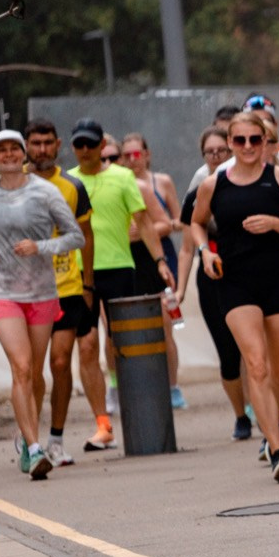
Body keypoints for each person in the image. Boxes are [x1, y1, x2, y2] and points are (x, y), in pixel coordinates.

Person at [189, 109, 279, 481]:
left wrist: (275, 224)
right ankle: (275, 448)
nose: (247, 147)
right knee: (255, 364)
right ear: (229, 144)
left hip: (278, 278)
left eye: (255, 140)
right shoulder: (214, 183)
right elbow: (194, 222)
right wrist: (205, 251)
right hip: (234, 280)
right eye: (239, 140)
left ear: (265, 141)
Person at [0, 132, 82, 480]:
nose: (7, 155)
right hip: (1, 291)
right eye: (0, 150)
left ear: (23, 155)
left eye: (13, 149)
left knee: (34, 372)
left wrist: (40, 247)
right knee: (20, 366)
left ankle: (26, 430)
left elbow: (74, 235)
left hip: (41, 292)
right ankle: (35, 450)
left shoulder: (45, 191)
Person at [70, 117, 175, 444]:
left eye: (91, 143)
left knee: (123, 344)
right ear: (72, 148)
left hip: (119, 268)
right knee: (87, 346)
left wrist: (160, 261)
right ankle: (103, 423)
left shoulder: (123, 178)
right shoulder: (66, 182)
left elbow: (143, 222)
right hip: (78, 273)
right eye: (79, 144)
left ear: (102, 146)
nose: (85, 150)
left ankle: (139, 411)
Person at [23, 119, 99, 466]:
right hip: (24, 288)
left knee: (60, 362)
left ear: (57, 146)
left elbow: (86, 235)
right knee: (29, 368)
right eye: (35, 143)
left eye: (47, 143)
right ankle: (29, 438)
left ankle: (54, 438)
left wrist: (87, 283)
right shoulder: (12, 183)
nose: (41, 149)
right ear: (27, 146)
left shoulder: (72, 185)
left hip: (66, 286)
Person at [176, 126, 251, 438]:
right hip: (214, 274)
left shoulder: (248, 186)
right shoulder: (199, 191)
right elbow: (186, 245)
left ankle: (263, 409)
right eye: (211, 152)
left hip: (248, 270)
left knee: (253, 349)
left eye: (222, 150)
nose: (217, 156)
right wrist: (179, 289)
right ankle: (240, 415)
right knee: (229, 354)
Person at [120, 132, 185, 409]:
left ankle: (172, 386)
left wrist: (146, 231)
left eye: (137, 154)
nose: (133, 160)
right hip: (129, 257)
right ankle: (134, 386)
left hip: (159, 254)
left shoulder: (161, 182)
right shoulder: (120, 184)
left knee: (164, 324)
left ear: (147, 155)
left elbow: (177, 221)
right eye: (127, 155)